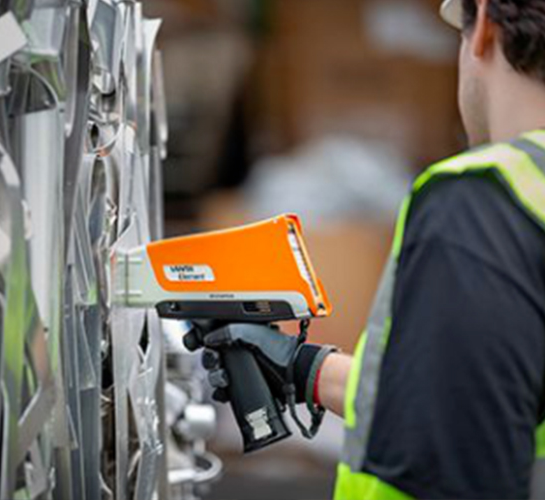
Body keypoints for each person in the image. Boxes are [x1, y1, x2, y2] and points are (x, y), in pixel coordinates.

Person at [196, 0, 545, 498]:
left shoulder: (485, 202)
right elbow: (469, 399)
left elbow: (452, 458)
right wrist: (306, 368)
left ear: (485, 24)